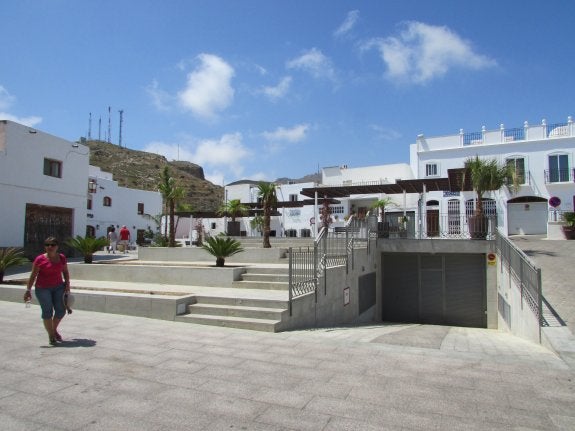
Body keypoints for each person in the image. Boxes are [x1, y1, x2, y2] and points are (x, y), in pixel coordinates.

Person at [24, 237, 71, 346]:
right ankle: (51, 336)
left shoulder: (62, 258)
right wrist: (28, 290)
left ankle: (52, 330)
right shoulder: (40, 259)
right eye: (47, 245)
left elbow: (65, 272)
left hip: (58, 287)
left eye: (53, 245)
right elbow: (33, 276)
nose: (50, 247)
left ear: (57, 246)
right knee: (47, 311)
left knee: (60, 310)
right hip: (43, 288)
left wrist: (67, 285)